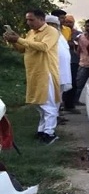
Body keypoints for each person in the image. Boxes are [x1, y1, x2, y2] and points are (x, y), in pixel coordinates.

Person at [3, 10, 61, 145]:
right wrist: (13, 41)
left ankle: (50, 133)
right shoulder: (31, 33)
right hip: (34, 73)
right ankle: (42, 131)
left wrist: (19, 39)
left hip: (46, 72)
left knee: (48, 105)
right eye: (27, 20)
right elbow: (22, 49)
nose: (28, 22)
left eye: (31, 19)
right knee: (39, 104)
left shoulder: (51, 31)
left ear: (41, 19)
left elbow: (44, 47)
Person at [61, 15, 81, 113]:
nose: (68, 24)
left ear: (74, 23)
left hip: (74, 60)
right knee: (62, 82)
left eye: (70, 22)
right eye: (66, 22)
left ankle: (70, 105)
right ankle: (62, 103)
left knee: (73, 82)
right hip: (62, 61)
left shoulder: (78, 34)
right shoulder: (60, 32)